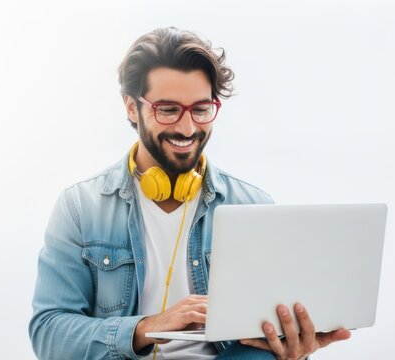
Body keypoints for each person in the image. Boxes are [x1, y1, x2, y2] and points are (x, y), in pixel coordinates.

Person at [29, 27, 351, 360]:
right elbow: (49, 334)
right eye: (167, 110)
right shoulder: (81, 207)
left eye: (200, 109)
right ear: (130, 107)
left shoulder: (253, 206)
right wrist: (146, 328)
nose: (187, 129)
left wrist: (293, 350)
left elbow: (271, 333)